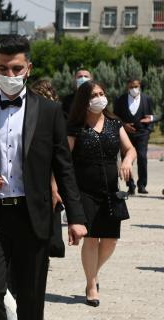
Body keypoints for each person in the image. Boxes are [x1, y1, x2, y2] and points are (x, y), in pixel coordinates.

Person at [0, 35, 88, 320]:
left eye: (16, 69)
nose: (9, 75)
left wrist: (76, 217)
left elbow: (63, 166)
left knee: (31, 298)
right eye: (3, 69)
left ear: (29, 68)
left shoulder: (50, 112)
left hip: (33, 215)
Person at [66, 80, 136, 306]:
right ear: (84, 102)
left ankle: (93, 273)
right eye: (94, 94)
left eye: (101, 93)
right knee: (91, 238)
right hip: (84, 191)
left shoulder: (115, 123)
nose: (99, 97)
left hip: (111, 191)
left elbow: (130, 149)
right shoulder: (75, 128)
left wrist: (127, 159)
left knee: (110, 241)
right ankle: (91, 284)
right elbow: (64, 161)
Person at [114, 78, 154, 194]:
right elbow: (116, 117)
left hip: (142, 133)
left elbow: (150, 116)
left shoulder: (147, 99)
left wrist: (148, 130)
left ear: (140, 86)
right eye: (131, 87)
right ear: (127, 87)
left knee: (142, 158)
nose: (134, 89)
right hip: (126, 135)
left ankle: (142, 185)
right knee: (127, 159)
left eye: (136, 86)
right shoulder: (120, 100)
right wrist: (124, 125)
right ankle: (130, 185)